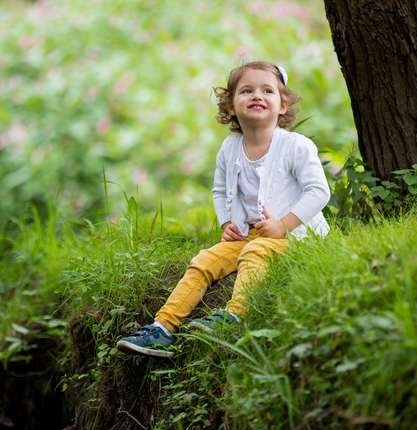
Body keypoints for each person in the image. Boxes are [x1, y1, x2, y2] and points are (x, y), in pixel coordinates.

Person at [116, 60, 331, 358]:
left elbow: (319, 191)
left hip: (295, 237)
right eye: (247, 91)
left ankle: (234, 316)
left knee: (255, 254)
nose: (257, 95)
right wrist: (227, 221)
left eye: (267, 90)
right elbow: (220, 190)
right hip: (248, 235)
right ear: (230, 106)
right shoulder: (230, 149)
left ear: (282, 105)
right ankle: (162, 329)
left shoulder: (296, 146)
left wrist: (284, 224)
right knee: (204, 260)